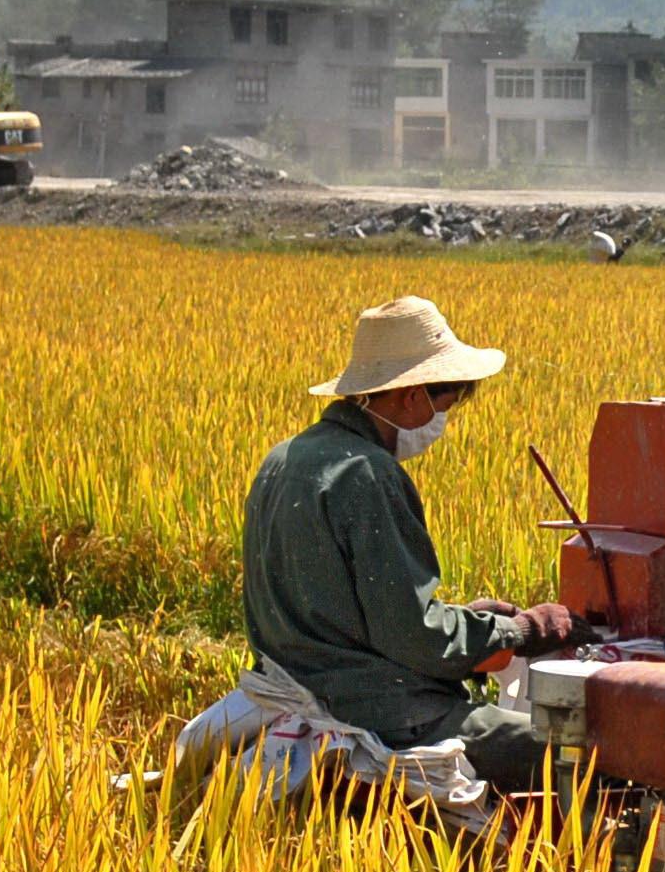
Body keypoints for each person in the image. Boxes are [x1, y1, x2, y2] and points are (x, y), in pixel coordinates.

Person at [242, 294, 582, 795]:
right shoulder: (368, 474)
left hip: (300, 688)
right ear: (410, 396)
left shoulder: (285, 458)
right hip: (380, 709)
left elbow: (352, 612)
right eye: (442, 404)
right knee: (579, 756)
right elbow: (417, 638)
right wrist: (520, 630)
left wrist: (475, 623)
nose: (442, 421)